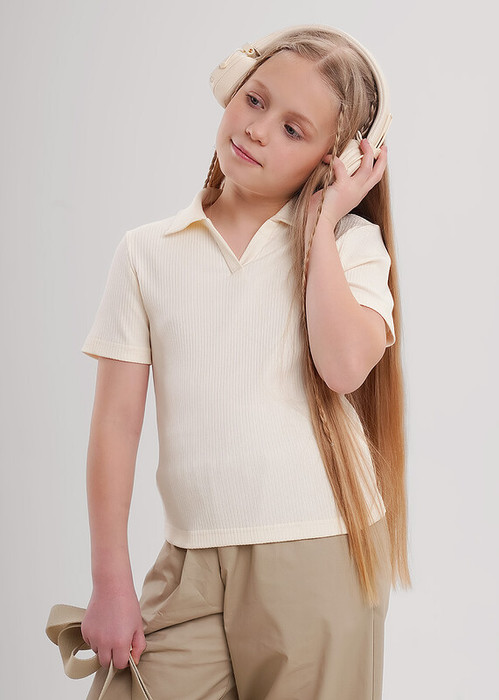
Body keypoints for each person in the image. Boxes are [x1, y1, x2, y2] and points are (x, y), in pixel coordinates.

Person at [80, 24, 411, 700]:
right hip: (190, 559)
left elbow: (344, 368)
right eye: (255, 100)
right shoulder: (148, 252)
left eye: (293, 129)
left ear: (337, 158)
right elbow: (115, 425)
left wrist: (321, 225)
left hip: (320, 553)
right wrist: (110, 581)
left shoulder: (351, 247)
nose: (258, 129)